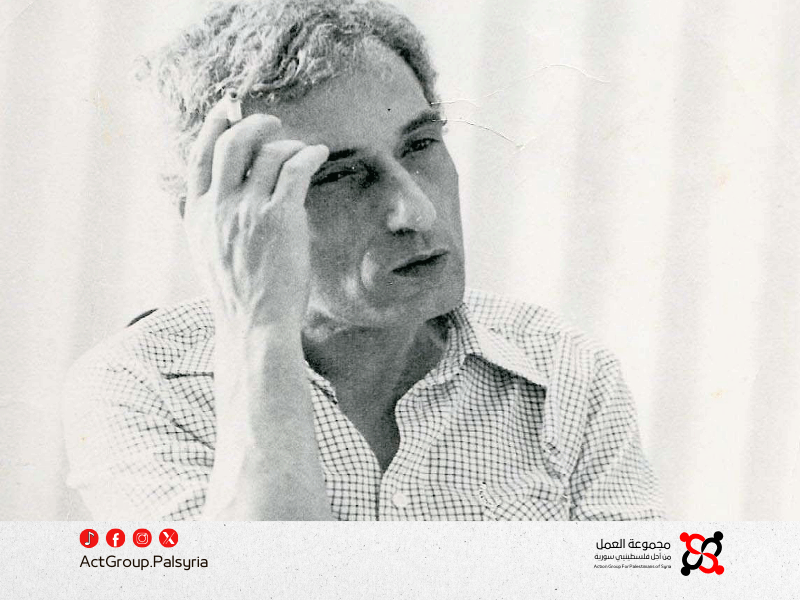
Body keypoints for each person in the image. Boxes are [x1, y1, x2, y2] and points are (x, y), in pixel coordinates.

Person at [63, 0, 664, 521]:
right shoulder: (142, 386)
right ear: (223, 220)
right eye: (338, 175)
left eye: (420, 144)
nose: (415, 210)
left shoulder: (564, 373)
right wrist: (260, 330)